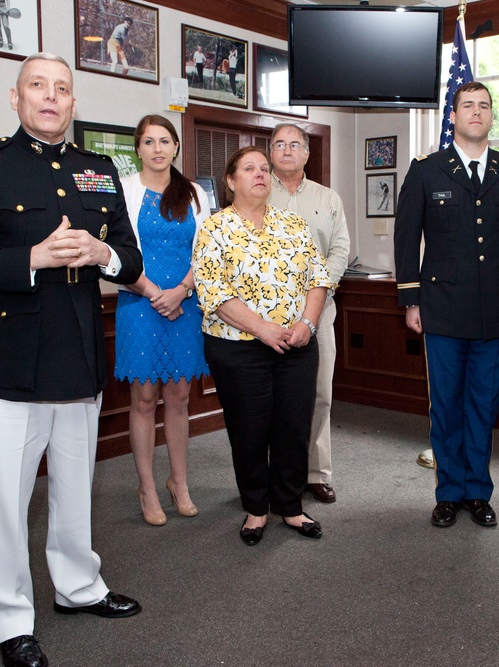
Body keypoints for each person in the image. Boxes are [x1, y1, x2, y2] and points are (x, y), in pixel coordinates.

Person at [0, 53, 143, 667]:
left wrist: (103, 251)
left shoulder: (100, 171)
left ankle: (78, 588)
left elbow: (129, 263)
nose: (50, 97)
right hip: (9, 362)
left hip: (77, 355)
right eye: (38, 87)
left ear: (73, 103)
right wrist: (32, 257)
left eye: (62, 89)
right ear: (17, 97)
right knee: (7, 499)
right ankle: (7, 618)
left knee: (77, 488)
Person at [393, 81, 499, 528]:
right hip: (441, 306)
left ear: (491, 117)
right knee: (447, 406)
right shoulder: (426, 169)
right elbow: (406, 239)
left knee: (483, 403)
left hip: (498, 307)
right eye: (467, 105)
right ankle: (448, 491)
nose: (476, 112)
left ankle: (478, 490)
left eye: (484, 106)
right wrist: (410, 299)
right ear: (452, 116)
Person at [195, 146, 335, 546]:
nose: (260, 174)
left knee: (293, 427)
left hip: (296, 346)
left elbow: (318, 279)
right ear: (231, 181)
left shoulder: (293, 225)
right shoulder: (214, 229)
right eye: (249, 168)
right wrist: (263, 329)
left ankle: (290, 506)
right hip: (238, 348)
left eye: (264, 169)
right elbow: (213, 292)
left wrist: (308, 323)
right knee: (250, 430)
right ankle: (256, 508)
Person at [115, 114, 209, 526]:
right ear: (138, 148)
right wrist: (155, 294)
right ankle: (147, 487)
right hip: (140, 305)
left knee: (180, 398)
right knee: (143, 399)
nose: (157, 149)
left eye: (164, 141)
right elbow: (114, 254)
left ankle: (179, 483)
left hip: (184, 305)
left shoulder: (194, 194)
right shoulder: (125, 191)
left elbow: (207, 251)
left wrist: (182, 291)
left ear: (175, 148)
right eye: (149, 141)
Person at [267, 123, 350, 505]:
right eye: (279, 144)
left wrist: (316, 294)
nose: (286, 150)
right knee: (271, 399)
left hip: (320, 311)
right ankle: (276, 474)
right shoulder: (257, 192)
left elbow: (340, 250)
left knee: (319, 394)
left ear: (306, 154)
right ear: (270, 151)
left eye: (294, 145)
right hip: (266, 315)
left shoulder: (327, 198)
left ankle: (316, 474)